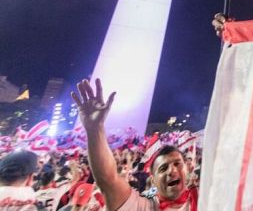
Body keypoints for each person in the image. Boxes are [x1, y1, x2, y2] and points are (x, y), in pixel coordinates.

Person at [71, 79, 198, 211]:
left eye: (177, 163)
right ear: (153, 180)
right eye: (163, 168)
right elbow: (107, 179)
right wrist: (95, 129)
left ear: (187, 169)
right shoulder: (144, 206)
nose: (172, 170)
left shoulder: (206, 195)